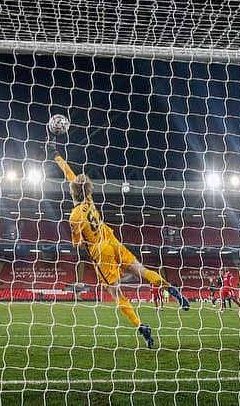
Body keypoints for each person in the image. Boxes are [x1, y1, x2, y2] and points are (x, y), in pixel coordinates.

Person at [53, 146, 190, 349]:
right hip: (113, 241)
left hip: (100, 251)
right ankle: (172, 290)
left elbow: (77, 244)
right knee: (142, 270)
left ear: (72, 191)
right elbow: (72, 176)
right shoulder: (89, 201)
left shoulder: (74, 216)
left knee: (117, 293)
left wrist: (79, 236)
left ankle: (141, 325)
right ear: (87, 190)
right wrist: (57, 156)